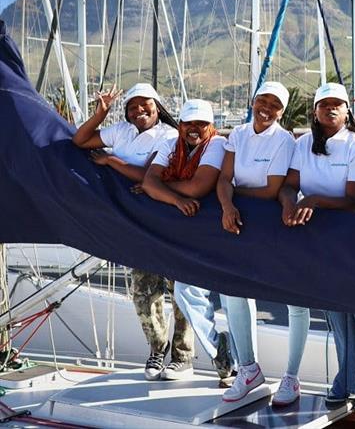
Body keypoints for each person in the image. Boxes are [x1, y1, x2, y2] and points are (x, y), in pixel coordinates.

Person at [71, 83, 194, 381]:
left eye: (145, 104)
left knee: (180, 291)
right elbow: (80, 140)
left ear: (157, 105)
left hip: (166, 218)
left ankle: (183, 357)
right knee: (142, 292)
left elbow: (148, 176)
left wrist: (111, 160)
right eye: (132, 106)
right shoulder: (121, 132)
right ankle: (156, 348)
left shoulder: (168, 135)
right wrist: (100, 113)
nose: (139, 110)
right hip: (132, 221)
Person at [277, 82, 355, 414]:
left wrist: (313, 200)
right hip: (318, 240)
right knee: (336, 313)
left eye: (337, 104)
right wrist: (287, 204)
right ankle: (347, 380)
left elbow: (354, 200)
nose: (331, 109)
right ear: (315, 110)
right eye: (324, 104)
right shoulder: (302, 144)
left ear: (347, 110)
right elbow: (290, 185)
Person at [216, 81, 296, 402]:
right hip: (236, 218)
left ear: (282, 111)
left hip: (269, 223)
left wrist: (233, 197)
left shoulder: (285, 140)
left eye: (274, 104)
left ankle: (291, 377)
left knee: (291, 301)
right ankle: (248, 369)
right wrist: (226, 205)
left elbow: (271, 191)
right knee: (232, 291)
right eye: (262, 100)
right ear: (252, 101)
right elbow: (223, 178)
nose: (266, 108)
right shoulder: (238, 134)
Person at [142, 98, 226, 380]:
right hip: (164, 226)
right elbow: (148, 182)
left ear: (210, 126)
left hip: (201, 230)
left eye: (201, 123)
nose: (194, 128)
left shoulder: (216, 145)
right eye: (189, 123)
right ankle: (158, 350)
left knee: (186, 293)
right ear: (180, 124)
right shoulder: (170, 144)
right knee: (143, 290)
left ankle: (192, 357)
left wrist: (165, 192)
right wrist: (178, 199)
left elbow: (198, 187)